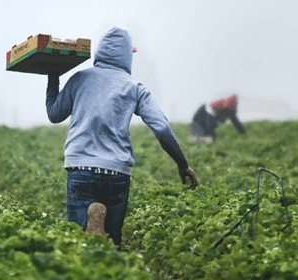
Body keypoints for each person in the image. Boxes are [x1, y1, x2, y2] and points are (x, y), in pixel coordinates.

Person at [45, 27, 198, 250]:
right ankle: (106, 254)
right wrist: (182, 164)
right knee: (113, 243)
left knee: (77, 242)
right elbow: (161, 128)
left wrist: (53, 76)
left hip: (81, 168)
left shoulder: (79, 79)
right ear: (127, 55)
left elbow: (54, 114)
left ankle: (90, 225)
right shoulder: (134, 87)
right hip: (116, 172)